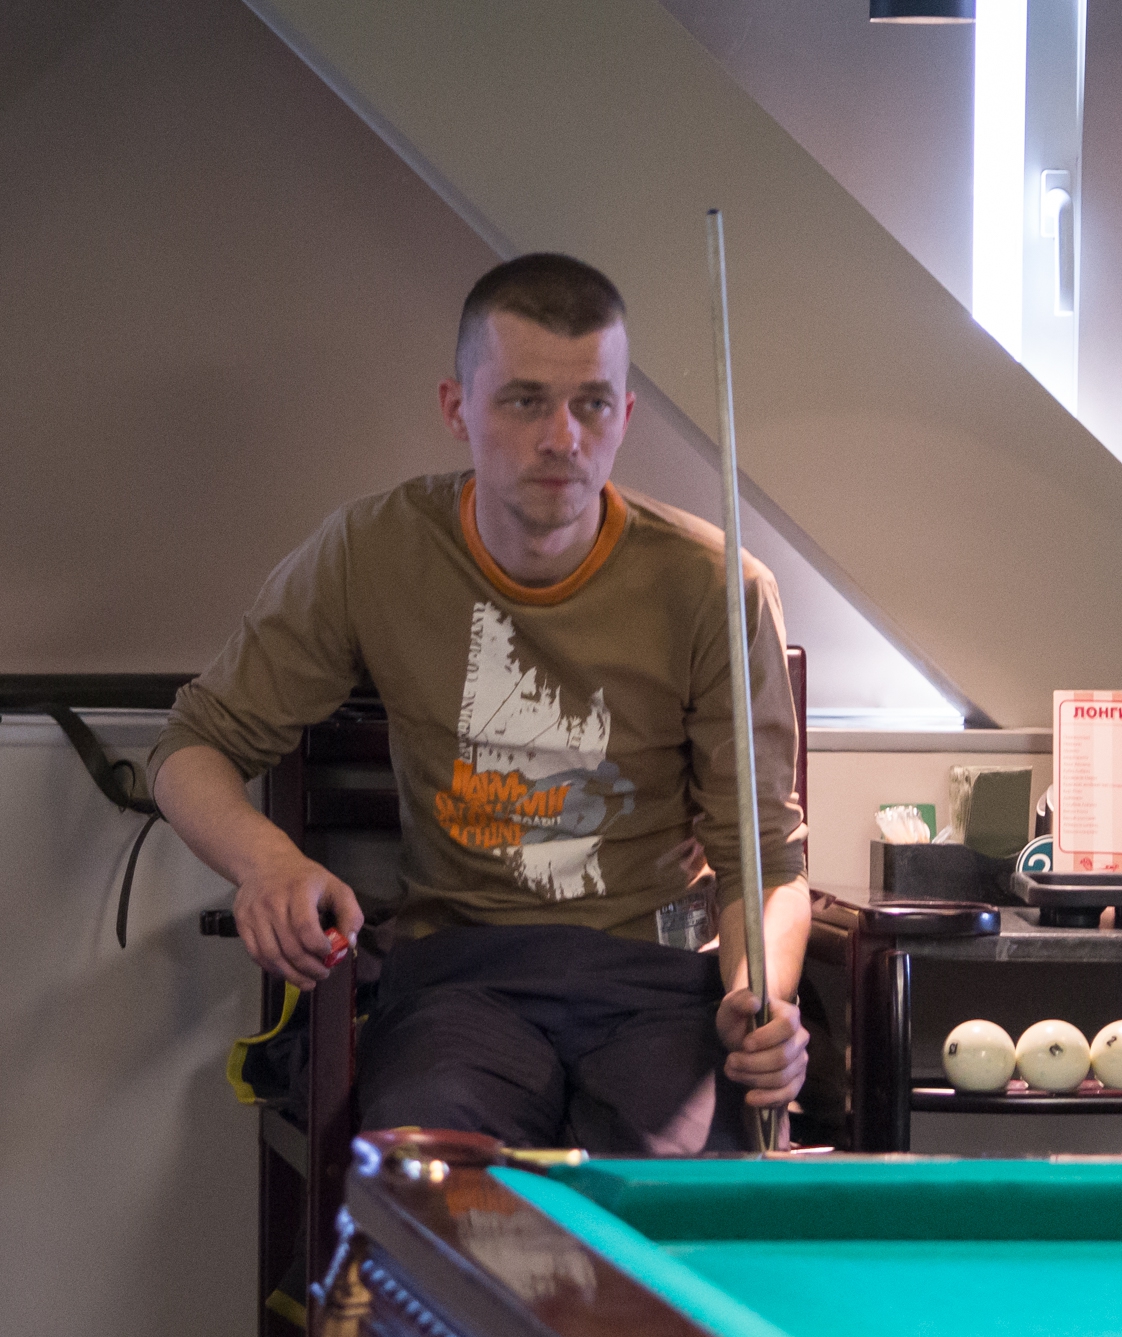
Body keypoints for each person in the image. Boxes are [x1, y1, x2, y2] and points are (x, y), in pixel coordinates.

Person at [151, 253, 810, 1152]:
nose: (562, 437)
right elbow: (191, 746)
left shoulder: (719, 587)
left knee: (681, 1191)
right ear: (458, 408)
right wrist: (267, 862)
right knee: (433, 1180)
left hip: (658, 985)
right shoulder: (372, 552)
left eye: (591, 404)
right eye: (524, 400)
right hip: (459, 983)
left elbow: (764, 861)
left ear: (624, 417)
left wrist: (758, 996)